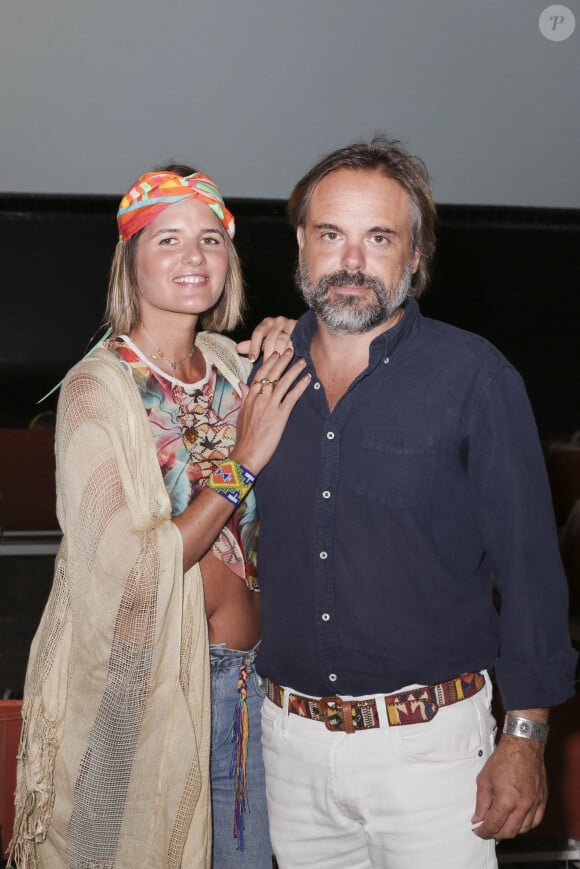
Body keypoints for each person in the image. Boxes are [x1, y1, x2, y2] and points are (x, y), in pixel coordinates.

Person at [253, 137, 578, 869]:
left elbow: (530, 571)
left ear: (416, 257)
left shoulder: (475, 378)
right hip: (290, 751)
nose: (351, 262)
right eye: (331, 235)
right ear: (302, 244)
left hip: (432, 756)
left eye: (379, 238)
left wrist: (524, 737)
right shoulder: (258, 375)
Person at [9, 165, 309, 868]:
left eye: (210, 239)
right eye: (168, 239)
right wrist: (242, 461)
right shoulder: (97, 388)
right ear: (131, 261)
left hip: (256, 685)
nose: (193, 256)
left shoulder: (233, 366)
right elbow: (123, 567)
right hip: (155, 693)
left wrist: (301, 336)